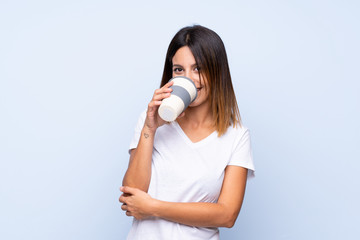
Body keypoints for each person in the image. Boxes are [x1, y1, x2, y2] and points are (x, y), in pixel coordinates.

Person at [119, 25, 255, 240]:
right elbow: (132, 195)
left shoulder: (236, 136)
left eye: (198, 68)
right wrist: (150, 128)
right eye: (179, 69)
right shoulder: (149, 121)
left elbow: (227, 214)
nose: (189, 78)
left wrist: (154, 207)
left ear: (216, 71)